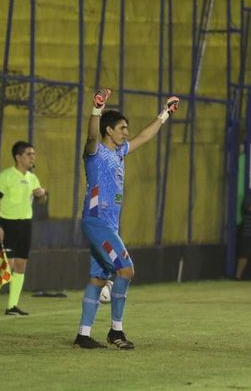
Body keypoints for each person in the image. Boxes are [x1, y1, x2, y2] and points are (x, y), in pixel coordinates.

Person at [73, 89, 179, 349]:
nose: (126, 133)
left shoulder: (120, 152)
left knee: (97, 279)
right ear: (109, 130)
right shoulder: (95, 152)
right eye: (121, 128)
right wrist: (97, 109)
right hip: (96, 221)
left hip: (108, 225)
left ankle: (83, 335)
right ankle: (116, 332)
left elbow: (145, 135)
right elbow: (90, 135)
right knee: (126, 269)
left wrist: (165, 113)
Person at [0, 141, 47, 315]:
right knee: (6, 264)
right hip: (7, 225)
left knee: (20, 265)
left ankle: (12, 306)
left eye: (33, 154)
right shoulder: (5, 176)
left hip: (25, 225)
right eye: (29, 154)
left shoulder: (32, 178)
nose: (32, 157)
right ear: (18, 157)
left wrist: (42, 195)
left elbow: (41, 200)